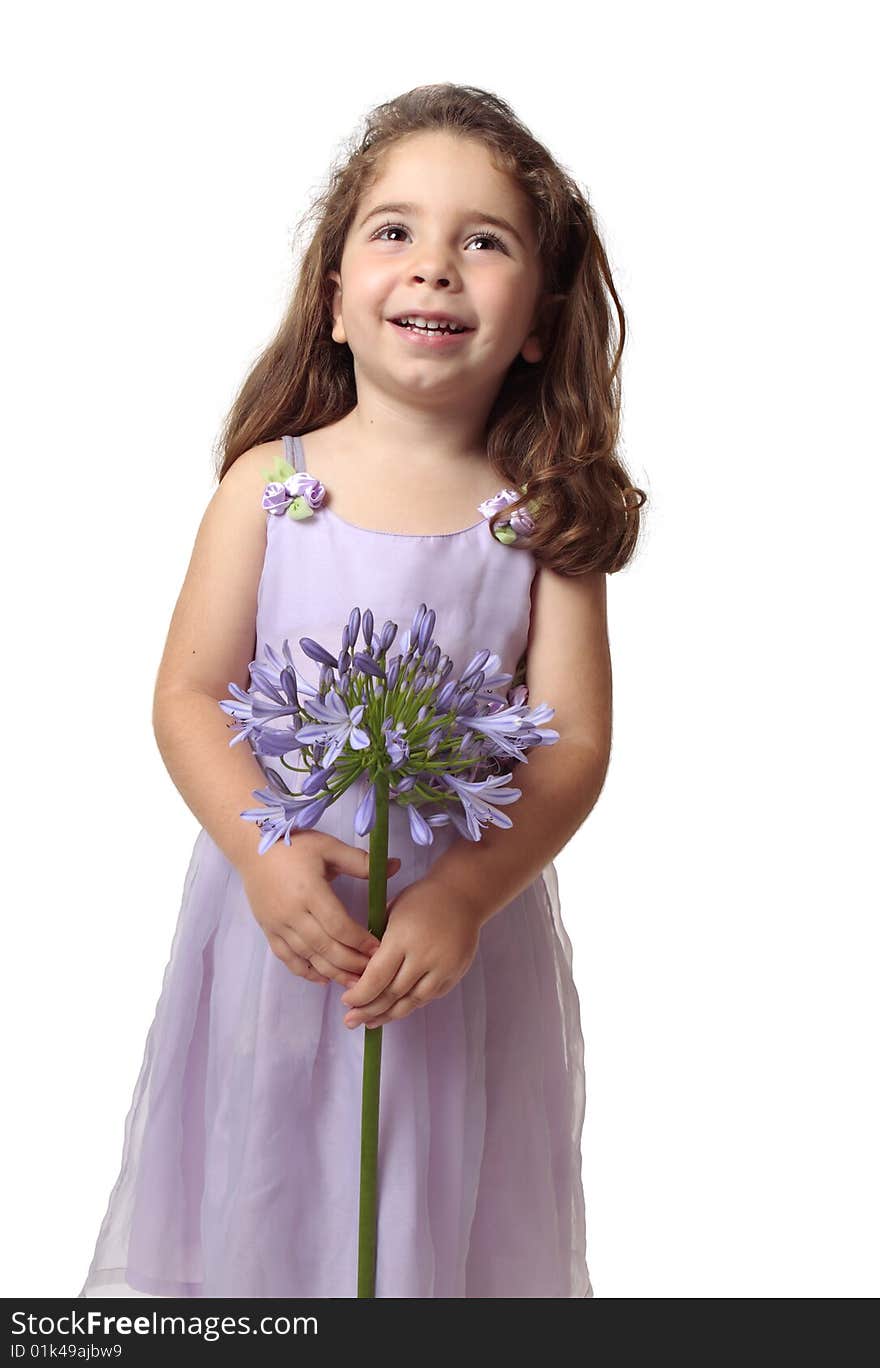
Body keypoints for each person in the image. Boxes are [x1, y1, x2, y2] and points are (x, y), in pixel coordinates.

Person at [78, 81, 645, 1300]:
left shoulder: (537, 522)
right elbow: (188, 698)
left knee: (431, 1199)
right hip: (281, 931)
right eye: (393, 232)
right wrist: (264, 858)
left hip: (451, 942)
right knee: (265, 1186)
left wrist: (468, 895)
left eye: (481, 242)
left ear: (539, 319)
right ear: (334, 297)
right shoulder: (267, 489)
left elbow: (574, 748)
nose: (433, 267)